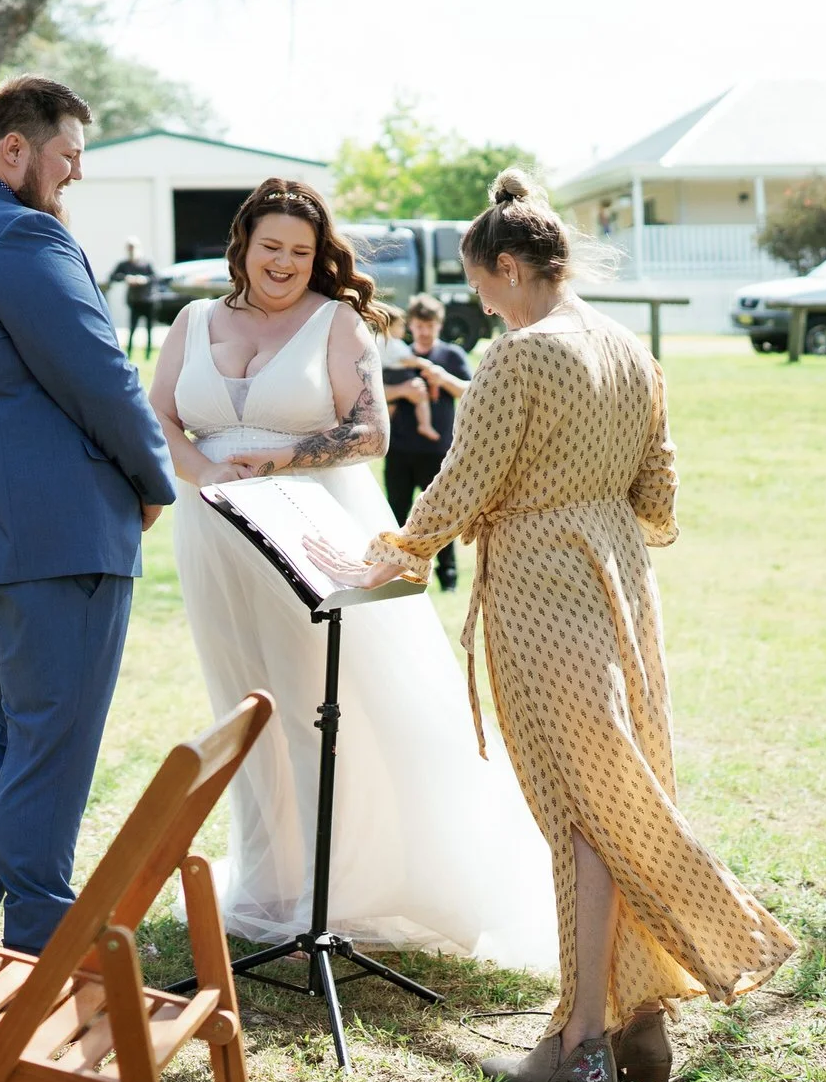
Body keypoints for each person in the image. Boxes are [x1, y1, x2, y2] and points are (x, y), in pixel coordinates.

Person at [313, 169, 796, 1082]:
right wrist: (589, 502)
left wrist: (399, 546)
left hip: (543, 588)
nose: (481, 308)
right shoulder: (629, 349)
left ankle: (579, 1037)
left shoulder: (518, 357)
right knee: (620, 789)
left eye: (482, 289)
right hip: (621, 582)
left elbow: (462, 480)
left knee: (581, 811)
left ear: (507, 266)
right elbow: (658, 497)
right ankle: (641, 1021)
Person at [147, 178, 555, 973]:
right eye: (271, 247)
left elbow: (369, 432)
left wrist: (281, 457)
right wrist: (199, 466)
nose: (285, 264)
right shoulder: (194, 319)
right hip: (213, 531)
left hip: (305, 527)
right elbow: (162, 411)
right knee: (243, 703)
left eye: (301, 252)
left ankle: (339, 893)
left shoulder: (337, 322)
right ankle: (271, 883)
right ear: (243, 244)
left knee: (316, 706)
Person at [0, 75, 178, 956]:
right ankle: (42, 965)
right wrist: (156, 480)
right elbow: (105, 375)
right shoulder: (20, 233)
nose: (74, 178)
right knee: (47, 761)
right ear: (13, 150)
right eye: (66, 157)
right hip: (60, 544)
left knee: (8, 744)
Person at [381, 293, 473, 592]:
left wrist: (442, 377)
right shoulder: (397, 355)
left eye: (429, 325)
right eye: (419, 325)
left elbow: (470, 392)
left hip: (439, 452)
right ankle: (393, 575)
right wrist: (404, 391)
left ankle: (448, 578)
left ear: (439, 325)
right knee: (396, 512)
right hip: (400, 449)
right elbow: (375, 394)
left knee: (440, 517)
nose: (424, 331)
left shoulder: (451, 356)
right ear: (411, 326)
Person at [378, 305, 443, 446]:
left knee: (390, 406)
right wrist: (424, 364)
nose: (403, 330)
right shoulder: (394, 343)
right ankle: (424, 424)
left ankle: (382, 431)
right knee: (421, 396)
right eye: (400, 326)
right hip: (400, 374)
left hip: (386, 375)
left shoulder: (378, 341)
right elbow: (408, 360)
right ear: (390, 327)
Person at [105, 236, 159, 359]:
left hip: (148, 300)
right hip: (134, 301)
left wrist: (143, 280)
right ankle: (129, 353)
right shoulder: (124, 265)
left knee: (149, 330)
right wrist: (126, 278)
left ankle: (148, 354)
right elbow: (113, 276)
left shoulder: (146, 263)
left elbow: (156, 278)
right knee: (132, 329)